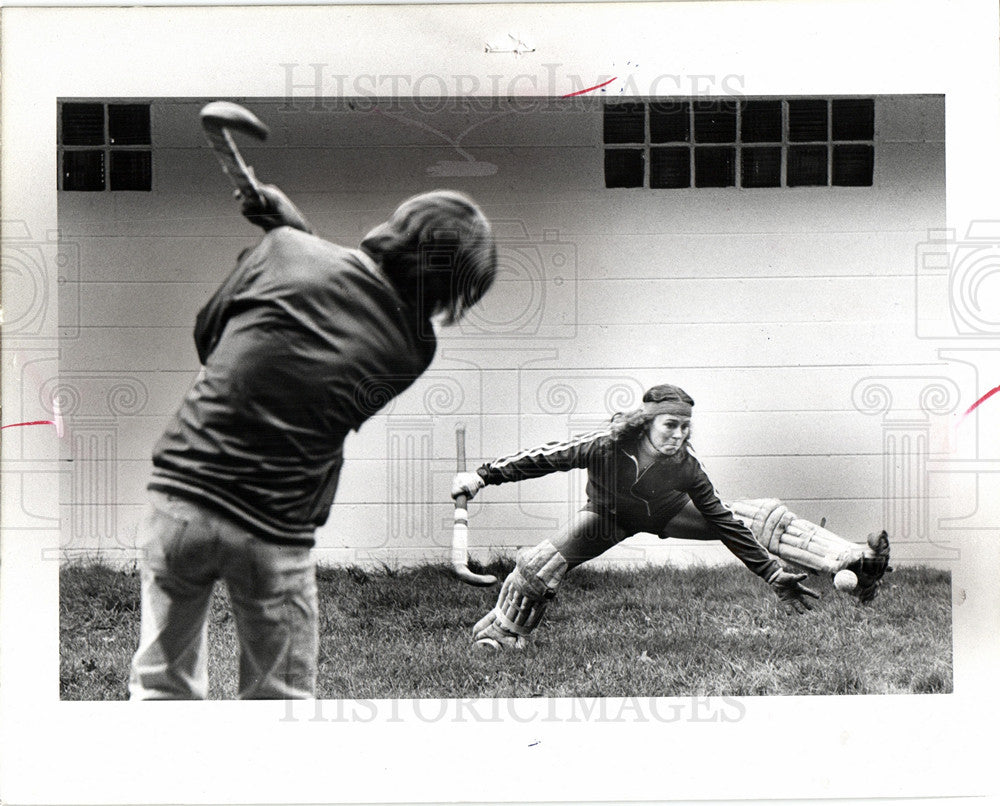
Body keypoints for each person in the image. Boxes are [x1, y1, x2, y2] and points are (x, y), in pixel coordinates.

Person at [129, 185, 497, 698]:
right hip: (273, 528)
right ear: (453, 290)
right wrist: (295, 233)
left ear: (399, 227)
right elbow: (342, 307)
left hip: (181, 499)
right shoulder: (414, 349)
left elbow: (209, 337)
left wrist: (288, 235)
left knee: (163, 685)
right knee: (279, 700)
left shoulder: (284, 250)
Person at [451, 383, 823, 650]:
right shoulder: (605, 446)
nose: (678, 435)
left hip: (666, 513)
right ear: (647, 423)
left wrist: (771, 573)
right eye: (670, 425)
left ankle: (836, 558)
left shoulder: (686, 467)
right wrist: (483, 476)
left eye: (684, 427)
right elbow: (546, 456)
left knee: (746, 518)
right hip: (607, 517)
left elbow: (722, 521)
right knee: (538, 566)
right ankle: (502, 631)